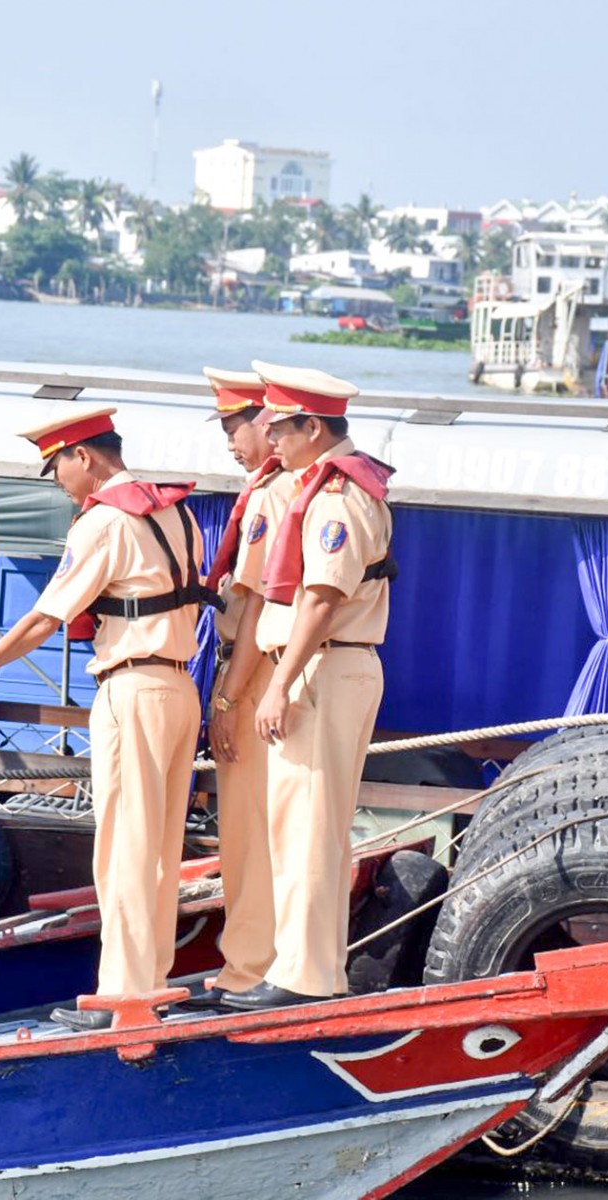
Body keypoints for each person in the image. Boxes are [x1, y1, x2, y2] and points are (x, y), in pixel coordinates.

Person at [0, 407, 212, 1031]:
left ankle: (125, 994)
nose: (56, 479)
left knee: (124, 849)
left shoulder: (105, 521)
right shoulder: (176, 512)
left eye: (56, 464)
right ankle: (151, 980)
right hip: (178, 685)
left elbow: (41, 620)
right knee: (160, 848)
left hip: (132, 685)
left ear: (84, 455)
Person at [221, 362, 394, 1012]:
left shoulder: (336, 499)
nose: (272, 442)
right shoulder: (329, 488)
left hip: (323, 665)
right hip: (324, 664)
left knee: (310, 829)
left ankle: (305, 976)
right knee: (303, 826)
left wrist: (276, 685)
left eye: (282, 429)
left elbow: (320, 602)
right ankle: (302, 969)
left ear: (313, 428)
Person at [181, 367, 289, 1011]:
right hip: (253, 665)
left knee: (250, 830)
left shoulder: (273, 497)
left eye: (233, 426)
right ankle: (253, 961)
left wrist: (225, 696)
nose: (229, 441)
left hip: (252, 671)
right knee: (256, 828)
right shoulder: (269, 490)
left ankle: (249, 967)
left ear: (268, 423)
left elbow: (248, 606)